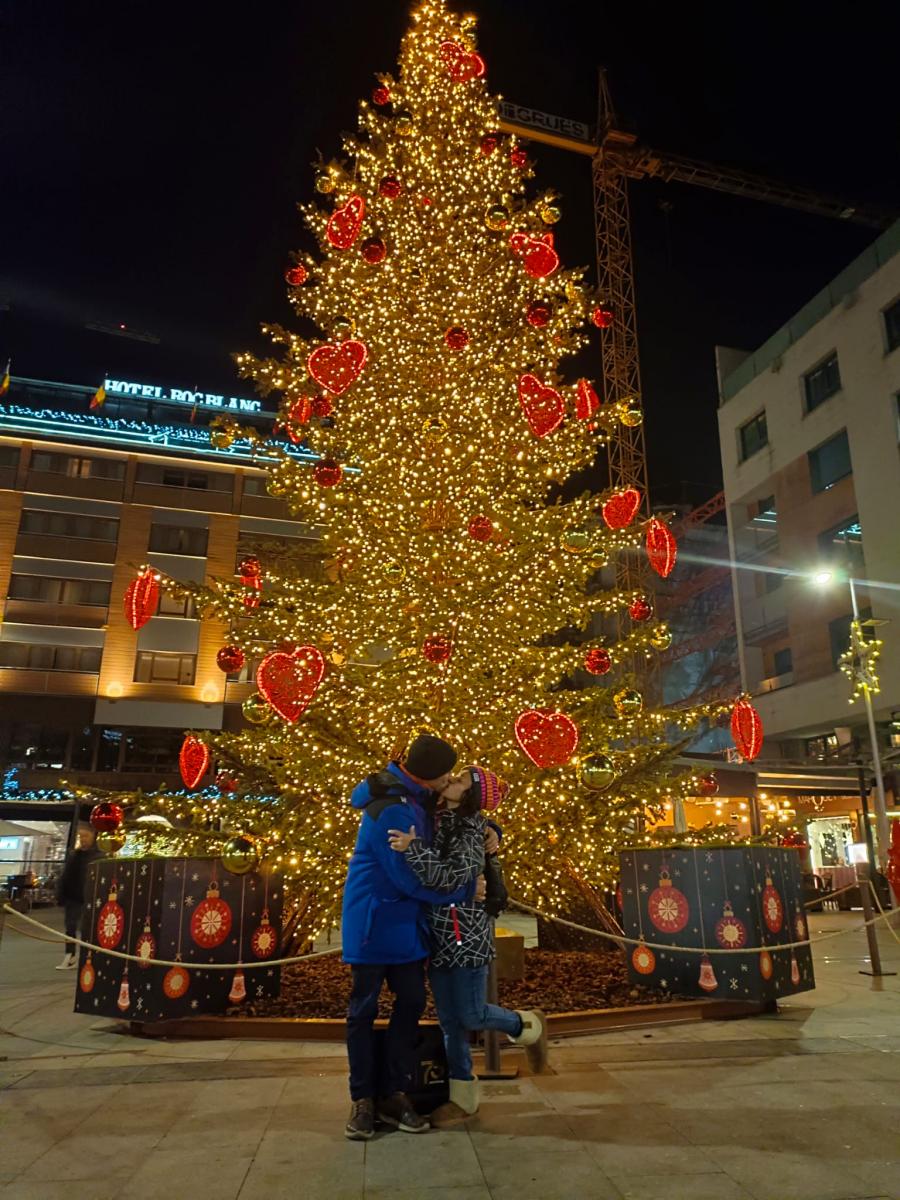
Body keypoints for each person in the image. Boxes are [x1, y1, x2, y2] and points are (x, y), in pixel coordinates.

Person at [389, 766, 549, 1126]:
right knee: (449, 1022)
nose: (450, 781)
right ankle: (463, 1096)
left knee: (471, 1014)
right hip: (439, 936)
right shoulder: (441, 815)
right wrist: (494, 828)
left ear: (472, 796)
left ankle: (526, 1025)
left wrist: (413, 848)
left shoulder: (466, 830)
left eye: (461, 781)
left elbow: (446, 878)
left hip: (467, 936)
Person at [341, 733, 480, 1141]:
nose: (449, 781)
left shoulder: (413, 798)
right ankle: (364, 1099)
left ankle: (395, 1090)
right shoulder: (393, 808)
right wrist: (464, 892)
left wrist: (490, 831)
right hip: (374, 925)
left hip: (405, 927)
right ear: (431, 776)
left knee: (412, 1003)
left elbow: (458, 822)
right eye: (447, 775)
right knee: (363, 1011)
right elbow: (408, 877)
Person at [55, 825, 97, 970]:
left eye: (86, 836)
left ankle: (88, 957)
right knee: (70, 927)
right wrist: (61, 894)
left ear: (93, 837)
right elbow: (65, 876)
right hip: (73, 898)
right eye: (81, 837)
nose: (83, 839)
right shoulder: (75, 855)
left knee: (87, 928)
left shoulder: (98, 856)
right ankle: (70, 954)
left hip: (89, 899)